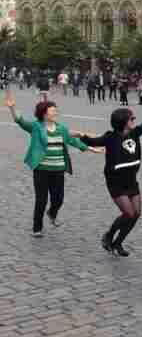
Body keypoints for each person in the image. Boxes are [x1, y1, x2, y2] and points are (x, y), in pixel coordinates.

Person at [6, 89, 101, 237]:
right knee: (41, 200)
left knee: (58, 199)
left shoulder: (61, 129)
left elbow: (73, 141)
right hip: (41, 169)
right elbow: (21, 121)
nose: (55, 112)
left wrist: (90, 148)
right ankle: (37, 228)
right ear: (44, 113)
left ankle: (52, 213)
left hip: (58, 169)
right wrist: (12, 108)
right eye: (52, 110)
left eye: (55, 110)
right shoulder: (36, 127)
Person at [79, 107, 142, 256]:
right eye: (131, 118)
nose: (134, 120)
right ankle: (109, 235)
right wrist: (80, 136)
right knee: (129, 213)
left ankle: (118, 243)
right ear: (123, 121)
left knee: (136, 213)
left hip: (131, 180)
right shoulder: (110, 137)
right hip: (116, 182)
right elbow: (93, 141)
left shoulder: (135, 133)